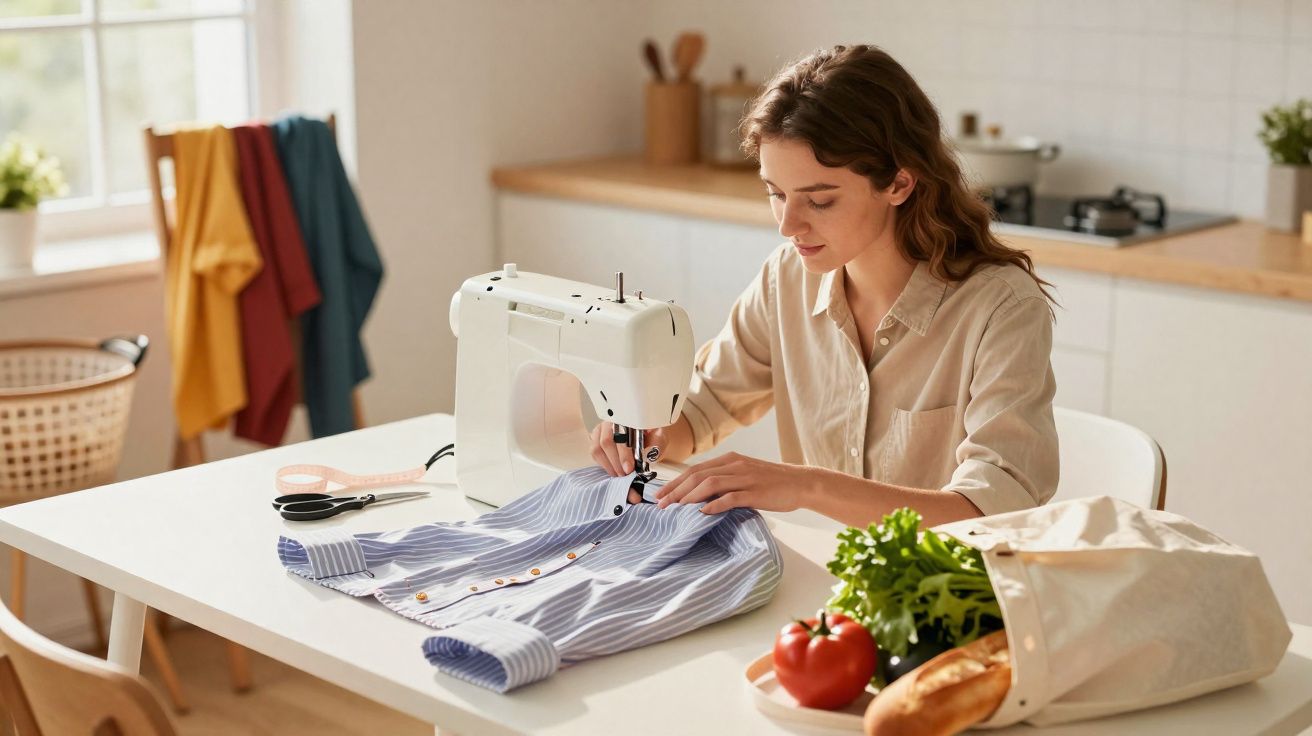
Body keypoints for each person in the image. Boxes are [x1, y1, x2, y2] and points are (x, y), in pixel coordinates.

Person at [590, 45, 1059, 528]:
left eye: (819, 201)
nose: (788, 225)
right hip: (823, 575)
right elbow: (705, 403)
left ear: (899, 183)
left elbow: (997, 509)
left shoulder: (1001, 307)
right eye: (776, 193)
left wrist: (804, 485)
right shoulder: (785, 278)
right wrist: (647, 430)